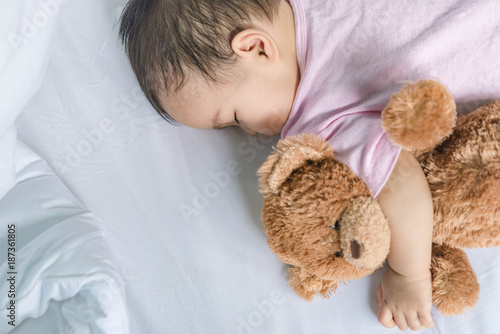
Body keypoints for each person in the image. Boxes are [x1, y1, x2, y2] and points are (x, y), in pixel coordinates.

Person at [119, 0, 500, 330]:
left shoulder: (322, 114)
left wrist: (409, 275)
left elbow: (402, 182)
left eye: (234, 116)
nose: (250, 133)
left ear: (256, 47)